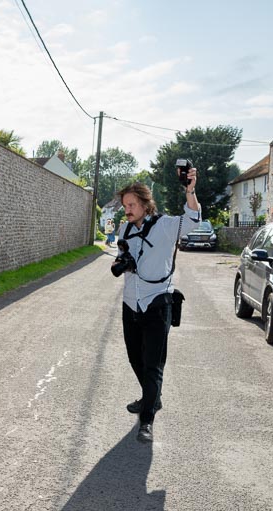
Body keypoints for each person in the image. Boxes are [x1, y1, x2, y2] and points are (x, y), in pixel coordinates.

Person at [113, 169, 200, 443]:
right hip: (131, 303)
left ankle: (147, 418)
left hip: (158, 302)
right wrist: (121, 263)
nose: (126, 210)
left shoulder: (165, 226)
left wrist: (189, 189)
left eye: (131, 205)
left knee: (153, 365)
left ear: (145, 204)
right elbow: (121, 256)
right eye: (125, 206)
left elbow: (193, 219)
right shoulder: (124, 228)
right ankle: (152, 397)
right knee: (135, 358)